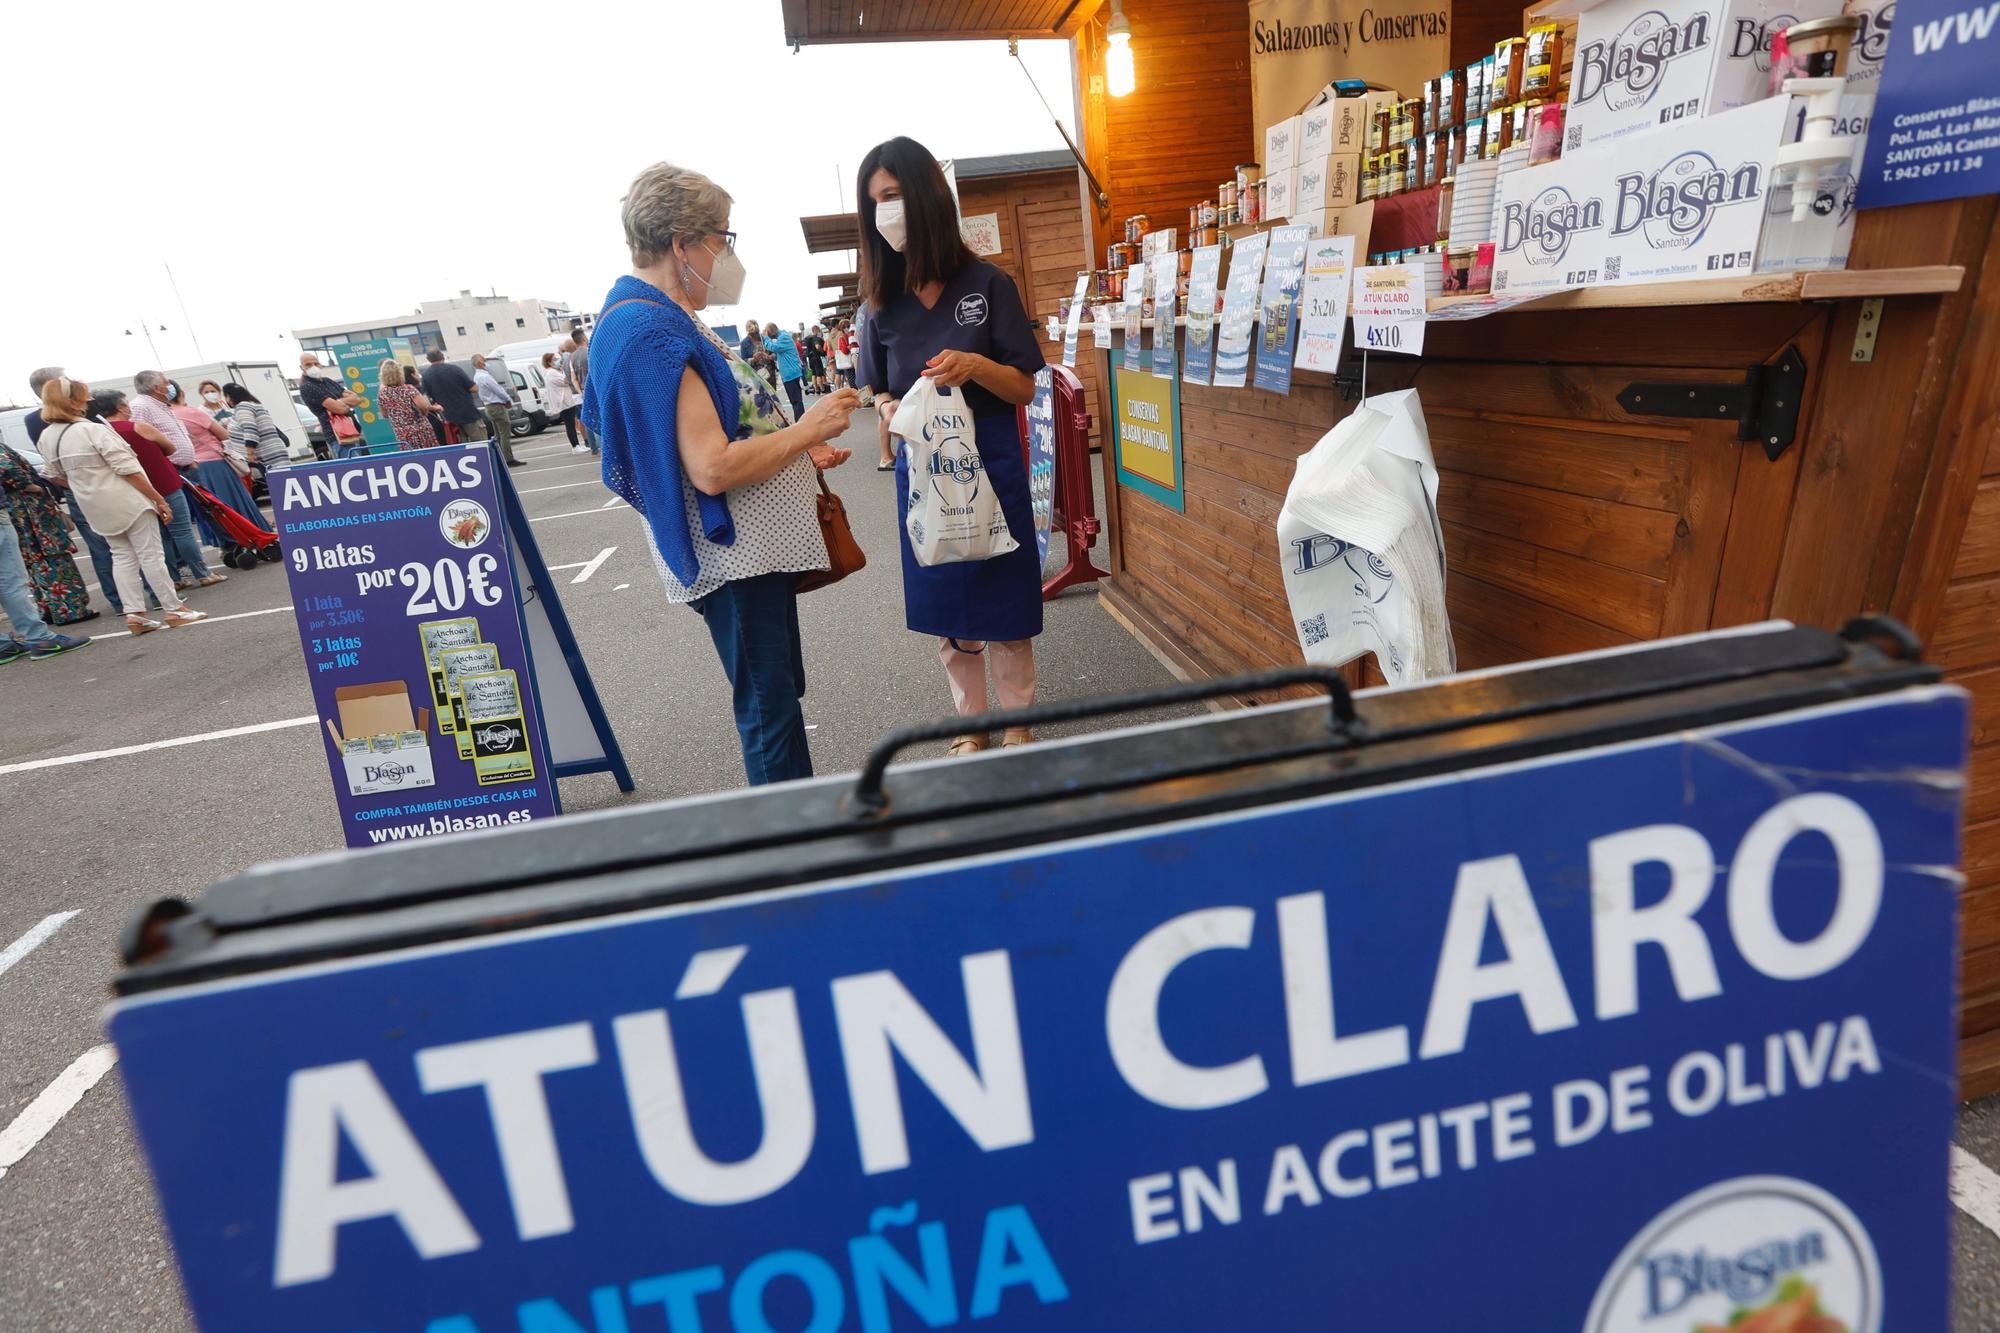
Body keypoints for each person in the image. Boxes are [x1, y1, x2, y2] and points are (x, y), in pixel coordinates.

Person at [587, 160, 859, 786]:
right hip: (734, 557)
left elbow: (710, 436)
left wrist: (795, 452)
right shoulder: (647, 327)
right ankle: (789, 855)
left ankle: (800, 835)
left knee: (777, 703)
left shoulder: (658, 316)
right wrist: (806, 430)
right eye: (723, 238)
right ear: (682, 243)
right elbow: (710, 467)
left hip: (748, 552)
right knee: (769, 712)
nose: (727, 255)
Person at [855, 135, 1046, 755]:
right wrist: (887, 404)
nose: (886, 210)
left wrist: (974, 365)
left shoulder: (990, 285)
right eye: (875, 200)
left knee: (1006, 598)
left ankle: (1017, 722)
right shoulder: (879, 305)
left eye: (895, 194)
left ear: (929, 196)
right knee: (947, 602)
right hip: (923, 470)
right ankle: (972, 726)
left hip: (991, 460)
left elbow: (1021, 387)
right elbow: (876, 391)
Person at [44, 380, 205, 635]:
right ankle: (174, 609)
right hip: (127, 500)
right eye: (84, 399)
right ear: (73, 402)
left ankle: (135, 614)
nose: (87, 403)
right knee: (150, 555)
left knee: (122, 557)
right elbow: (128, 469)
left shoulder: (48, 436)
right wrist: (158, 499)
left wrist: (87, 485)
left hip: (93, 505)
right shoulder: (93, 430)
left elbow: (53, 475)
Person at [97, 390, 223, 589]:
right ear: (120, 407)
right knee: (182, 531)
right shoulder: (137, 427)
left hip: (135, 489)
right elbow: (170, 448)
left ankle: (173, 579)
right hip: (164, 482)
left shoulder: (102, 433)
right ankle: (202, 573)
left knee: (159, 536)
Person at [24, 366, 121, 616]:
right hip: (90, 485)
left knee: (107, 546)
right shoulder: (44, 420)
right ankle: (126, 598)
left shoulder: (43, 420)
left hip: (78, 487)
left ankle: (120, 599)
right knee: (114, 544)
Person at [173, 379, 271, 548]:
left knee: (211, 509)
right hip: (214, 463)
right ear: (181, 394)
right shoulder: (193, 413)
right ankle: (254, 536)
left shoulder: (164, 417)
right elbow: (223, 434)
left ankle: (228, 543)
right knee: (234, 503)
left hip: (188, 467)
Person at [0, 445, 91, 625]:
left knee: (33, 560)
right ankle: (69, 610)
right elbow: (6, 466)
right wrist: (34, 487)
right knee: (52, 556)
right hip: (30, 508)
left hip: (17, 510)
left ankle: (47, 609)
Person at [420, 348, 487, 447]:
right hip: (468, 414)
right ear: (442, 356)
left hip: (449, 417)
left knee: (461, 447)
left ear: (429, 360)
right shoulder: (454, 369)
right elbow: (474, 388)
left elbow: (426, 399)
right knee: (481, 444)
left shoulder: (426, 376)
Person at [297, 353, 361, 456]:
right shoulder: (307, 387)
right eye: (308, 364)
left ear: (320, 364)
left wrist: (338, 402)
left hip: (352, 430)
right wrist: (341, 402)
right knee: (354, 467)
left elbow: (357, 399)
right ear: (301, 367)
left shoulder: (327, 381)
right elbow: (340, 409)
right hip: (338, 435)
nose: (313, 367)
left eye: (316, 363)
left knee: (361, 464)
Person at [223, 384, 296, 473]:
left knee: (279, 482)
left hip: (265, 456)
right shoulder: (253, 405)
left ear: (229, 397)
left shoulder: (243, 407)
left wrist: (250, 453)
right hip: (272, 453)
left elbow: (250, 429)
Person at [469, 355, 522, 465]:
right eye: (484, 360)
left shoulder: (477, 376)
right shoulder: (485, 376)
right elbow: (497, 390)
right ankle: (508, 458)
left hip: (489, 406)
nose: (486, 362)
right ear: (479, 363)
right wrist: (507, 399)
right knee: (504, 433)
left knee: (498, 434)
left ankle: (499, 457)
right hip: (496, 405)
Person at [375, 362, 437, 452]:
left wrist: (398, 417)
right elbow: (424, 406)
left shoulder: (382, 393)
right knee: (431, 454)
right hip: (420, 429)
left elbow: (384, 414)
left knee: (412, 457)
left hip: (402, 433)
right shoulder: (408, 389)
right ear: (400, 374)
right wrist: (423, 414)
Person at [762, 321, 807, 421]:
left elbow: (774, 347)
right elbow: (781, 353)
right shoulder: (783, 336)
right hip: (791, 372)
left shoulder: (783, 337)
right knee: (796, 400)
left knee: (796, 401)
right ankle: (802, 421)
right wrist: (770, 357)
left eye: (770, 335)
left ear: (771, 333)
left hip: (790, 373)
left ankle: (800, 423)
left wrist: (766, 338)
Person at [541, 351, 584, 451]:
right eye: (554, 360)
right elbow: (566, 381)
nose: (557, 361)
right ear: (549, 362)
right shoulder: (551, 373)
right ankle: (575, 446)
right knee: (570, 425)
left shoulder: (554, 371)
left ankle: (577, 444)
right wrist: (568, 373)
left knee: (572, 425)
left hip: (566, 401)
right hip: (563, 402)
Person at [569, 328, 601, 455]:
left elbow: (573, 378)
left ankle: (593, 448)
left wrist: (580, 391)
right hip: (593, 389)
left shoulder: (572, 357)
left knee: (588, 420)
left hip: (581, 392)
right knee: (598, 419)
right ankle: (602, 447)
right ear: (584, 339)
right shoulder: (590, 352)